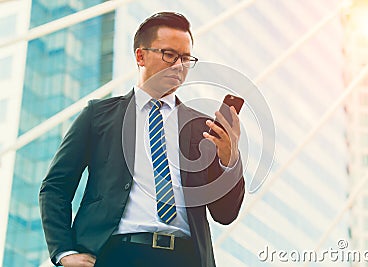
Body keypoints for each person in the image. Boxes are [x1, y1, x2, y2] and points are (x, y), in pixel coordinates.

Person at [39, 12, 245, 267]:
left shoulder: (201, 127)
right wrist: (63, 252)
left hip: (186, 258)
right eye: (169, 55)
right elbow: (55, 188)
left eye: (185, 58)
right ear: (141, 56)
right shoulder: (98, 116)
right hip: (113, 255)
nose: (179, 65)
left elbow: (225, 214)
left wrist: (229, 160)